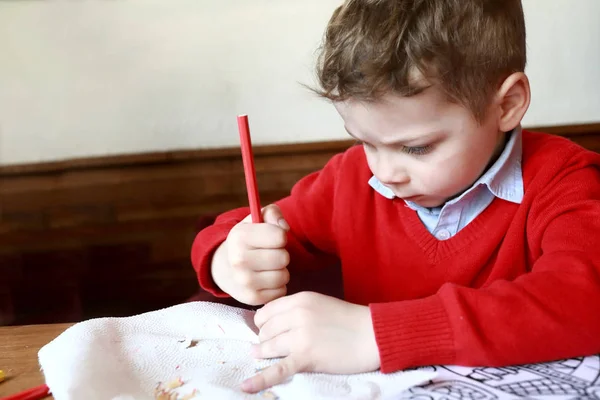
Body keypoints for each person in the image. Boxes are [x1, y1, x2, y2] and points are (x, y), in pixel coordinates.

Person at [191, 0, 600, 393]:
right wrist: (229, 259)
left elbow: (585, 300)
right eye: (366, 142)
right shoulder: (350, 179)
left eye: (417, 147)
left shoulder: (564, 180)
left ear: (507, 104)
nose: (384, 173)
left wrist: (377, 333)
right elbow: (244, 229)